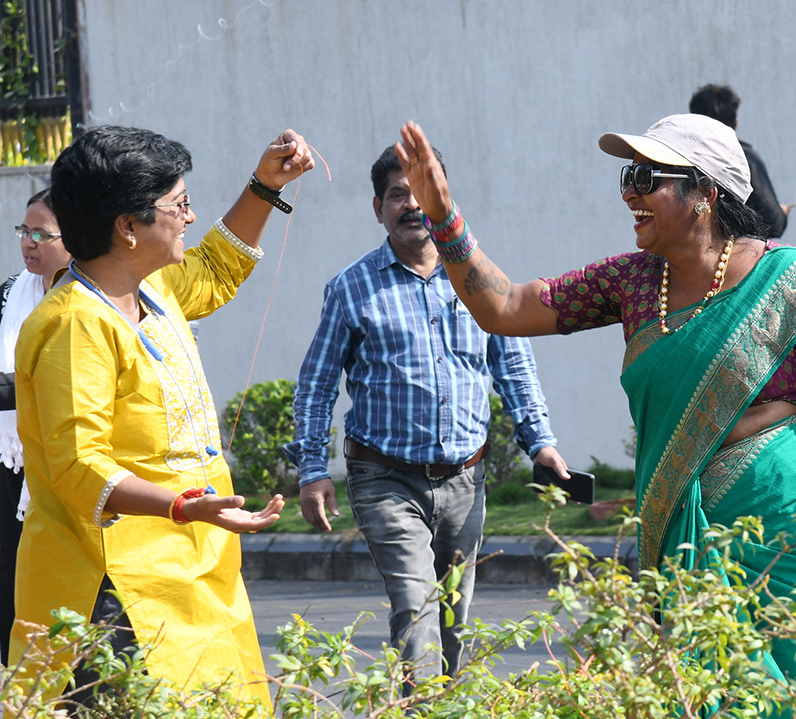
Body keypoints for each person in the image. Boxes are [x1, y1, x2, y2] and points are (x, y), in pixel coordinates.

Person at [392, 114, 796, 716]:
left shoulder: (792, 282)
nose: (629, 190)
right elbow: (503, 307)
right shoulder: (631, 283)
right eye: (628, 174)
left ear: (705, 191)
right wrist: (445, 216)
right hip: (688, 531)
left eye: (647, 176)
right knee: (706, 693)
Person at [9, 125, 314, 706]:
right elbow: (79, 467)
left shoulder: (153, 290)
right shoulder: (75, 324)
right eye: (178, 205)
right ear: (128, 227)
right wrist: (180, 505)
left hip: (192, 569)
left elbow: (217, 267)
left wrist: (264, 186)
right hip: (114, 590)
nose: (191, 217)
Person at [284, 146, 567, 683]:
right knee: (417, 614)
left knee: (454, 625)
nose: (410, 205)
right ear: (378, 208)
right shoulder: (352, 287)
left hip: (466, 480)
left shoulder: (478, 279)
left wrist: (541, 442)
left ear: (441, 201)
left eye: (420, 193)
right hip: (385, 479)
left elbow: (515, 366)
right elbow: (316, 383)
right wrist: (313, 470)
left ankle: (440, 704)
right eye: (397, 195)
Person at [0, 189, 72, 661]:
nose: (28, 242)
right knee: (11, 577)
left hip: (65, 463)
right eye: (24, 232)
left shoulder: (88, 300)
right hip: (11, 459)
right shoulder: (10, 293)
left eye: (41, 234)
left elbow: (51, 380)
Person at [689, 84, 790, 238]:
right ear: (735, 122)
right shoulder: (744, 158)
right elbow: (773, 223)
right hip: (736, 254)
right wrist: (782, 213)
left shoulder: (684, 157)